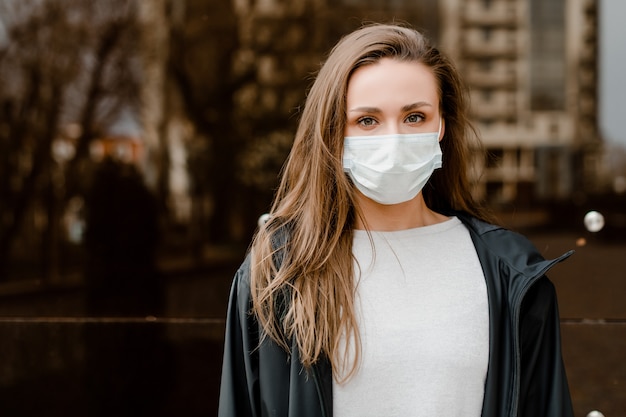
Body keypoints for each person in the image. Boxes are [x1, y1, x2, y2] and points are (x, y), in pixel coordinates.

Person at [218, 23, 574, 417]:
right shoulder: (281, 271)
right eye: (367, 120)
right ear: (335, 132)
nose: (393, 139)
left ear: (441, 125)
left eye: (415, 117)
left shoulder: (509, 272)